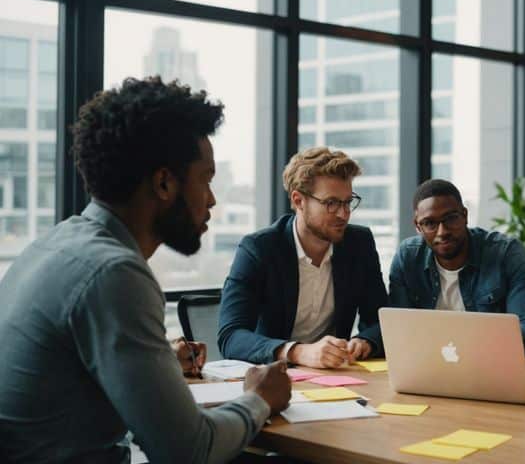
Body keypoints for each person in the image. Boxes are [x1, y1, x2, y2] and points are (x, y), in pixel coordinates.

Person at [0, 77, 291, 463]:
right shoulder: (113, 273)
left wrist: (162, 362)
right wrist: (258, 399)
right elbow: (189, 451)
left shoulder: (54, 245)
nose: (212, 200)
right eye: (205, 179)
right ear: (164, 183)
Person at [219, 147, 388, 368]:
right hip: (276, 377)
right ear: (298, 201)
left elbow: (381, 319)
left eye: (347, 202)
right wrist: (298, 352)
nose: (343, 214)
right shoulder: (259, 249)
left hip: (338, 378)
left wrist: (365, 340)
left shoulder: (359, 244)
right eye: (331, 203)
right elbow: (231, 336)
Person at [388, 179, 525, 353]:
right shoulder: (408, 257)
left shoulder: (505, 253)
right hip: (428, 365)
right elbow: (397, 330)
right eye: (430, 223)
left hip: (490, 364)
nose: (443, 232)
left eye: (451, 218)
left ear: (465, 215)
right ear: (418, 226)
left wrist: (467, 348)